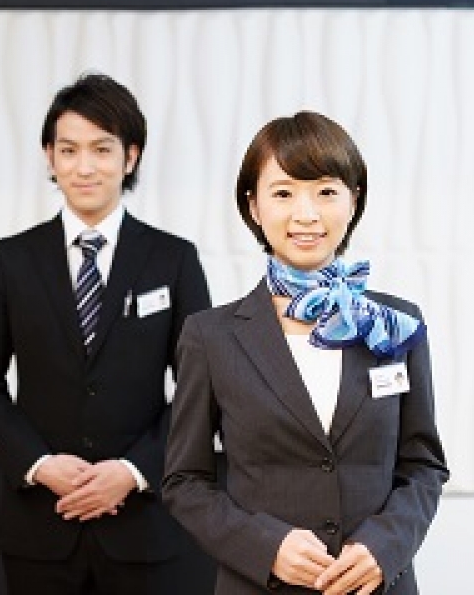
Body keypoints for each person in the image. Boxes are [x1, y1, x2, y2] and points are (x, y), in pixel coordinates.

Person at [162, 110, 449, 595]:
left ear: (354, 200)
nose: (306, 214)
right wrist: (264, 547)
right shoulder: (210, 336)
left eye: (326, 192)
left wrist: (385, 546)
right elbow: (185, 482)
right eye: (283, 193)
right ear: (253, 206)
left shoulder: (395, 323)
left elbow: (423, 465)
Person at [0, 72, 212, 595]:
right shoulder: (10, 260)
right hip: (40, 525)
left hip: (145, 527)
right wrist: (38, 464)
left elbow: (200, 389)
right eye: (69, 150)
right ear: (49, 157)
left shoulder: (173, 259)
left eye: (102, 149)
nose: (84, 167)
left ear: (131, 157)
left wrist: (133, 470)